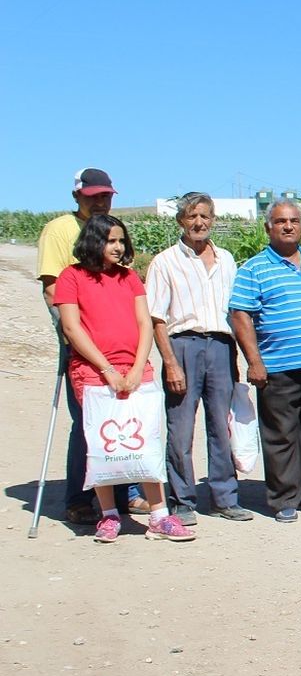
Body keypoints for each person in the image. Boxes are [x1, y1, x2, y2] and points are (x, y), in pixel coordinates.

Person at [53, 214, 193, 544]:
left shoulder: (129, 277)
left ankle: (159, 516)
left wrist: (137, 367)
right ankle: (109, 515)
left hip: (135, 369)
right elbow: (71, 327)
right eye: (110, 240)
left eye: (121, 240)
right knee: (103, 442)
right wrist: (108, 370)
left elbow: (145, 323)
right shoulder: (71, 277)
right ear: (94, 241)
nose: (117, 247)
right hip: (93, 372)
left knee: (144, 437)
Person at [36, 167, 145, 523]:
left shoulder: (113, 231)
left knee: (125, 419)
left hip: (120, 347)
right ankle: (80, 499)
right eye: (93, 196)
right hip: (83, 343)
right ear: (77, 196)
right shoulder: (60, 229)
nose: (100, 201)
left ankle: (127, 492)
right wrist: (73, 334)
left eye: (106, 196)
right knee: (88, 422)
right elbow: (52, 288)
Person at [229, 199, 301, 524]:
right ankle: (284, 498)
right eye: (281, 221)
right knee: (280, 435)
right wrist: (254, 361)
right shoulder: (254, 268)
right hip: (278, 366)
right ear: (268, 227)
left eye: (294, 220)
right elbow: (240, 316)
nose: (289, 226)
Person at [145, 191, 252, 524]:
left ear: (213, 220)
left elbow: (236, 311)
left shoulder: (226, 260)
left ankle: (224, 498)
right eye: (192, 216)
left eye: (204, 216)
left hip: (220, 345)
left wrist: (239, 355)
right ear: (181, 220)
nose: (198, 222)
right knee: (180, 429)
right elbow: (156, 317)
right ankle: (182, 500)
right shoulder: (165, 261)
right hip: (183, 345)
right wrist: (170, 363)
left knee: (221, 424)